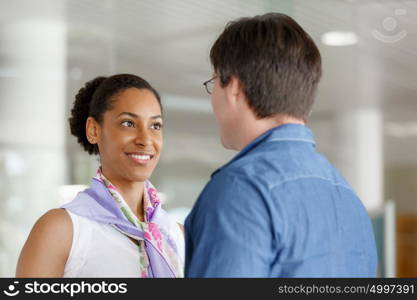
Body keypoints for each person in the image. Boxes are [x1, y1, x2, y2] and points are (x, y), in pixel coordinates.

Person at [185, 13, 377, 277]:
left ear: (234, 89)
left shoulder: (240, 190)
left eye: (214, 82)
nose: (213, 98)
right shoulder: (348, 199)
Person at [16, 74, 184, 277]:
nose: (145, 139)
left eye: (155, 126)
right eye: (128, 123)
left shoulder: (179, 237)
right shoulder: (62, 231)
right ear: (94, 130)